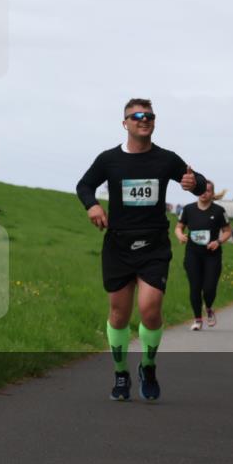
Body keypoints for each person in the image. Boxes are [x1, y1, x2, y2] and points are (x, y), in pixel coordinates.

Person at [76, 98, 206, 402]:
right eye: (136, 116)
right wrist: (92, 205)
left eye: (148, 116)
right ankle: (121, 373)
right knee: (119, 314)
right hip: (118, 244)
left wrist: (194, 183)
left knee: (150, 309)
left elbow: (199, 184)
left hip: (153, 244)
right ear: (125, 123)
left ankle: (148, 366)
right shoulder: (109, 159)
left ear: (154, 122)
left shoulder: (166, 159)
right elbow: (84, 185)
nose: (143, 119)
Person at [175, 181, 232, 330]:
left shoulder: (219, 211)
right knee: (195, 287)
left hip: (212, 255)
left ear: (212, 194)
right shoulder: (188, 209)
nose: (204, 192)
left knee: (209, 288)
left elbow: (227, 231)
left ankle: (209, 308)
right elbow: (179, 227)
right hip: (193, 254)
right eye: (201, 189)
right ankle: (198, 319)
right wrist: (180, 235)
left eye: (207, 191)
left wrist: (218, 242)